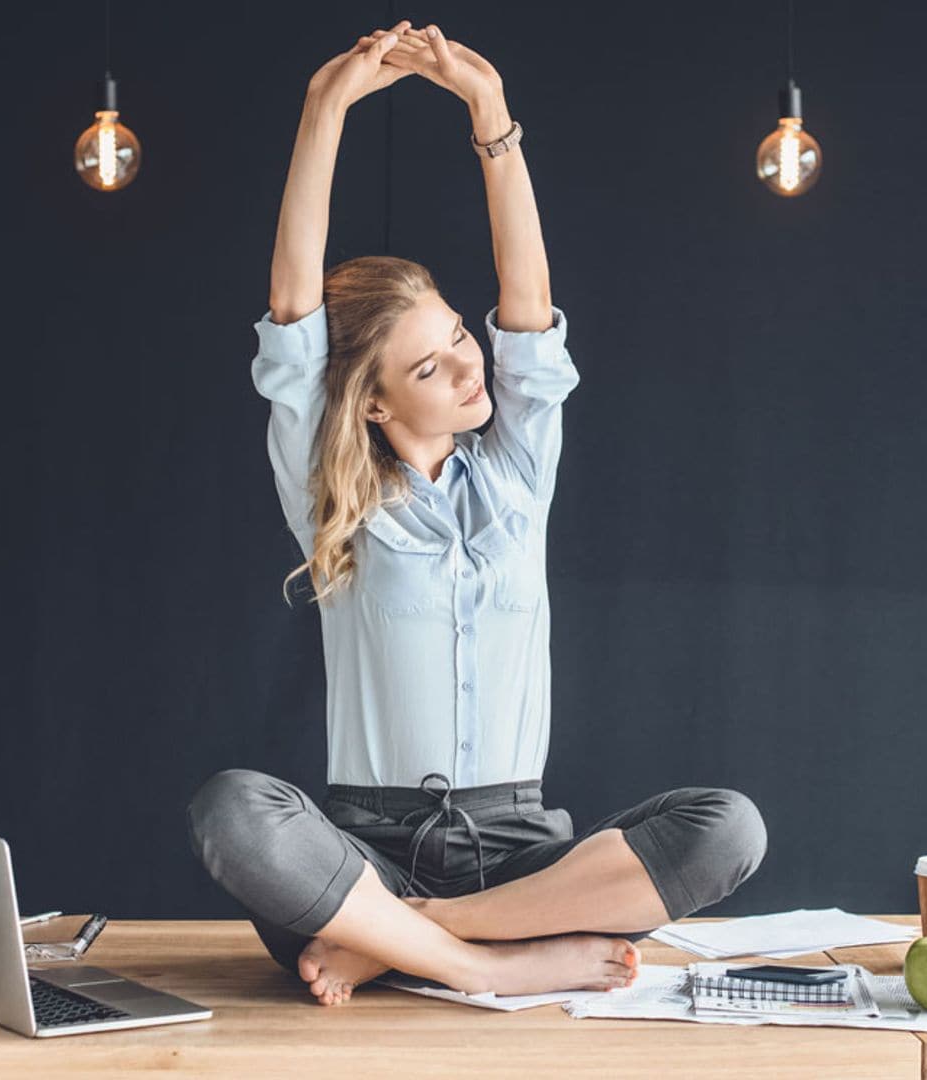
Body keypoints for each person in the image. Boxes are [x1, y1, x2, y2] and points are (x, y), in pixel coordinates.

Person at [187, 19, 768, 1007]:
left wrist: (490, 117)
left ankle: (409, 941)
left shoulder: (517, 471)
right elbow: (292, 316)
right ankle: (481, 967)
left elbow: (528, 301)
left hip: (518, 857)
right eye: (429, 364)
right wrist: (324, 107)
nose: (469, 366)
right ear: (371, 402)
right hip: (360, 850)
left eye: (460, 335)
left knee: (729, 827)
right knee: (233, 810)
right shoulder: (336, 502)